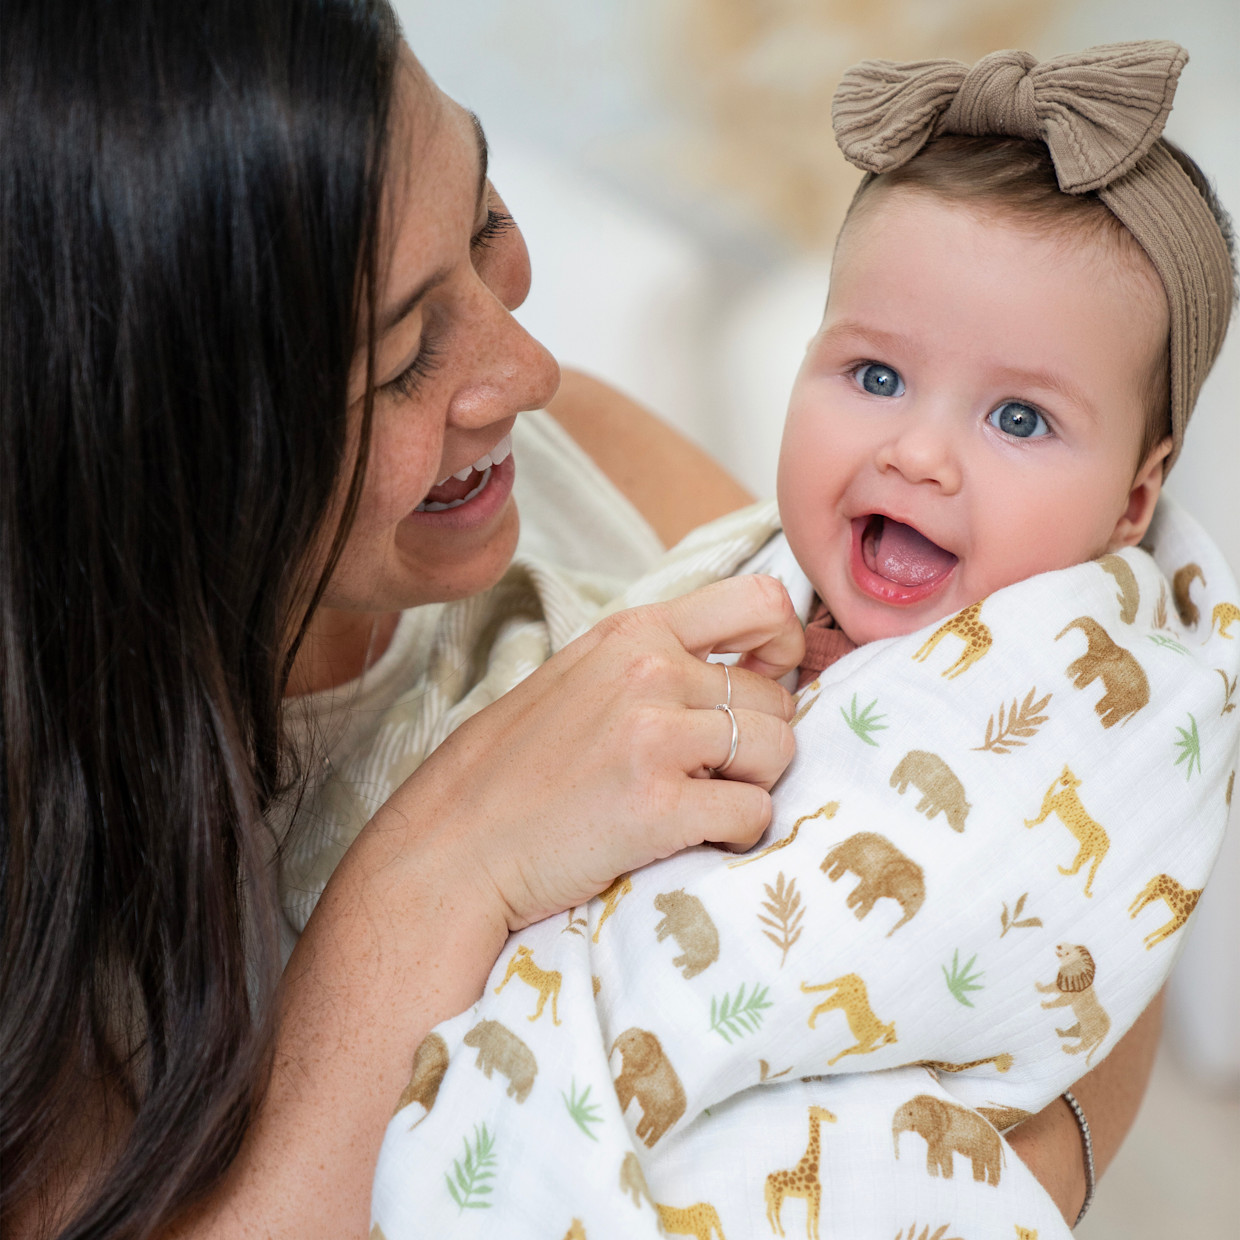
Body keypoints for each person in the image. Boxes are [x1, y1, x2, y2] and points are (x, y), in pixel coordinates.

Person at [0, 5, 1169, 1238]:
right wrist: (439, 870)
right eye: (402, 359)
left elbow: (1086, 821)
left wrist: (1011, 1172)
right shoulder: (51, 895)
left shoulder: (574, 459)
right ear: (149, 453)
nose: (529, 372)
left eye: (484, 218)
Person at [366, 43, 1239, 1240]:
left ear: (1134, 505)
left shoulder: (1078, 675)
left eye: (1019, 416)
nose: (918, 453)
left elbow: (1028, 900)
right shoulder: (755, 566)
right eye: (874, 372)